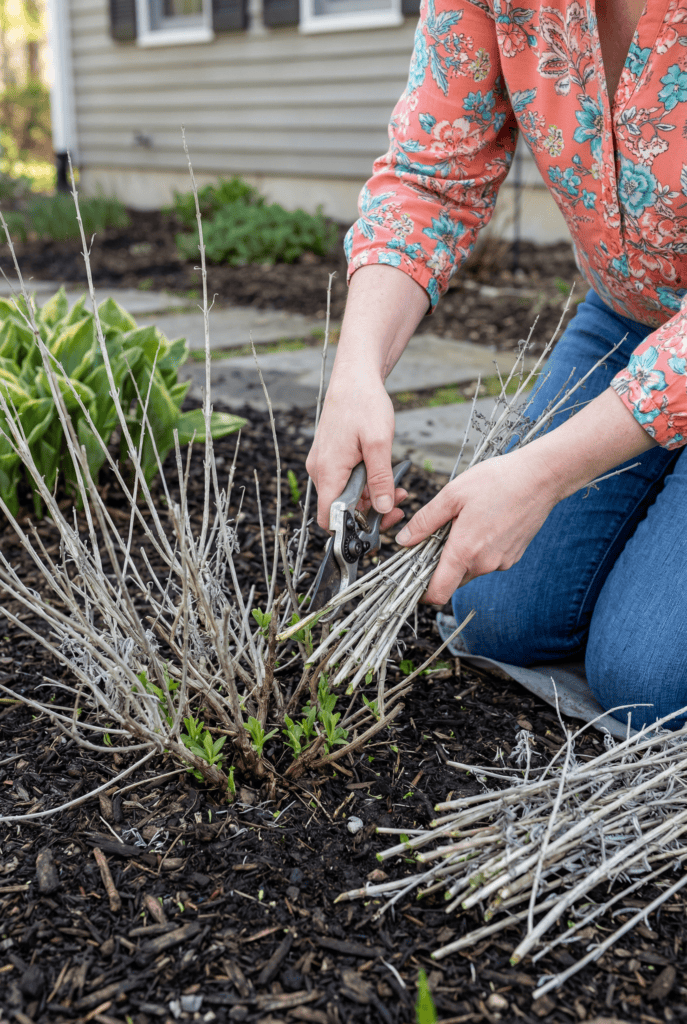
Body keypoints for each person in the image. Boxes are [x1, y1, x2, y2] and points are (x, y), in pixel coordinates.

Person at [306, 0, 687, 730]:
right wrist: (355, 371)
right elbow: (429, 179)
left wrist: (544, 472)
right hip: (632, 317)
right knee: (488, 613)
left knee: (647, 679)